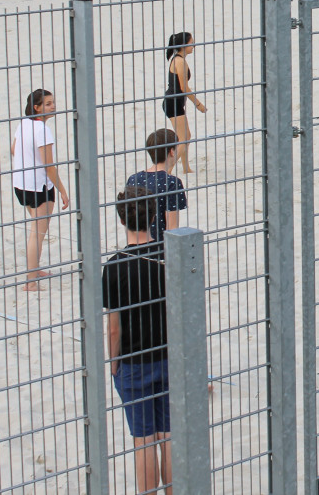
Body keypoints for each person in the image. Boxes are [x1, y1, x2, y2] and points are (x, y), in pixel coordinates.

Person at [103, 185, 172, 495]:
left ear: (122, 221)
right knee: (169, 435)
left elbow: (114, 328)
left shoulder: (115, 266)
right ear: (154, 215)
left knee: (144, 439)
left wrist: (114, 362)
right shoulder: (170, 254)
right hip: (169, 356)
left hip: (133, 361)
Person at [11, 89, 70, 290]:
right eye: (47, 103)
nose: (53, 106)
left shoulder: (23, 124)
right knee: (37, 233)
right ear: (36, 108)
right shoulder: (42, 130)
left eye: (53, 102)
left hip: (20, 185)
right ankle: (30, 280)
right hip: (39, 187)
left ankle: (34, 269)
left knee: (37, 230)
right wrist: (62, 189)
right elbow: (48, 165)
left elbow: (13, 149)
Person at [126, 129, 187, 241]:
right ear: (171, 152)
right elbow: (172, 228)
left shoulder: (133, 179)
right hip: (159, 246)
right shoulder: (172, 183)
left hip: (136, 243)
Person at [163, 32, 206, 173]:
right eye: (190, 43)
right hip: (173, 102)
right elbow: (184, 88)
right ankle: (168, 169)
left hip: (175, 102)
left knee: (186, 135)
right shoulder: (179, 61)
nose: (193, 46)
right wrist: (198, 104)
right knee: (184, 137)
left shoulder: (180, 59)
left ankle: (186, 168)